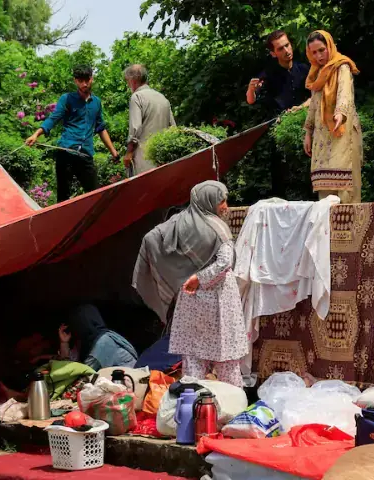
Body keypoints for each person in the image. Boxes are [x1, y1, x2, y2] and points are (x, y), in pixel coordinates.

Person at [132, 181, 248, 387]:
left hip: (191, 301)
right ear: (208, 201)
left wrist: (177, 274)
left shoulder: (179, 222)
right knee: (226, 360)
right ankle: (231, 407)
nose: (225, 206)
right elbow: (225, 261)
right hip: (219, 302)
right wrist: (200, 278)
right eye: (221, 200)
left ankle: (192, 406)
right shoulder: (216, 227)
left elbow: (151, 239)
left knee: (193, 359)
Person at [25, 65, 119, 202]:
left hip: (85, 154)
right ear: (75, 81)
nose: (84, 84)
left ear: (91, 79)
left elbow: (100, 128)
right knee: (63, 198)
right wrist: (36, 134)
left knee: (95, 196)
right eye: (80, 81)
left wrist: (113, 152)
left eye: (87, 80)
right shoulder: (67, 99)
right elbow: (53, 118)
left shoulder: (96, 103)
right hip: (66, 152)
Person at [303, 31, 363, 204]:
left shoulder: (342, 66)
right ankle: (328, 230)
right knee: (325, 189)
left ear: (329, 46)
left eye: (322, 50)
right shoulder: (316, 73)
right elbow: (314, 104)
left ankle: (351, 230)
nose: (319, 56)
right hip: (322, 135)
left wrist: (340, 113)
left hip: (342, 131)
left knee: (346, 188)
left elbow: (345, 93)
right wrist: (308, 132)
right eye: (314, 52)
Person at [123, 64, 176, 177]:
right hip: (162, 158)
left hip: (144, 160)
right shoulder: (162, 98)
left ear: (133, 80)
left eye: (127, 81)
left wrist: (129, 153)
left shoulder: (137, 97)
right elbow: (173, 128)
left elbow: (135, 129)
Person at [246, 30, 311, 115]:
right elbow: (250, 100)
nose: (286, 51)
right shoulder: (268, 75)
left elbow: (316, 96)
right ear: (273, 53)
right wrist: (251, 90)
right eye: (280, 49)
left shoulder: (304, 69)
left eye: (287, 45)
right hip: (281, 122)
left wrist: (301, 107)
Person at [58, 304, 138, 371]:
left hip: (128, 383)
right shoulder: (86, 343)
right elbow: (69, 363)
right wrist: (64, 342)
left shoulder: (104, 341)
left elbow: (83, 371)